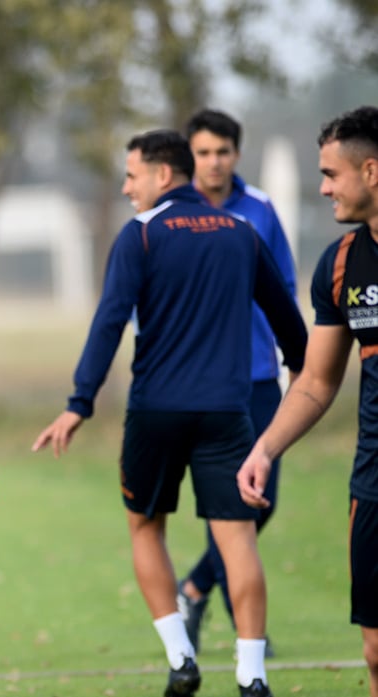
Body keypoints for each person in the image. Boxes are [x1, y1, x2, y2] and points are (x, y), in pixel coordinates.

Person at [32, 129, 306, 697]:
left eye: (132, 175)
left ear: (162, 175)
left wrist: (79, 404)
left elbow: (109, 321)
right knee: (238, 539)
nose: (126, 186)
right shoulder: (241, 233)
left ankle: (182, 657)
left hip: (155, 411)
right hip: (228, 412)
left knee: (145, 526)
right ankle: (251, 672)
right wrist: (307, 376)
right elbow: (288, 321)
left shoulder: (141, 235)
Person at [228, 106, 378, 697]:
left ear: (371, 170)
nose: (322, 188)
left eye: (330, 173)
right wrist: (264, 448)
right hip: (375, 482)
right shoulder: (343, 265)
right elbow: (317, 383)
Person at [176, 108, 299, 655]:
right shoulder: (174, 213)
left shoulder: (261, 211)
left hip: (258, 374)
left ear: (236, 155)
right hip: (203, 378)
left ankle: (197, 585)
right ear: (190, 157)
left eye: (222, 152)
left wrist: (298, 359)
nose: (213, 162)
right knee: (225, 498)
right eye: (203, 152)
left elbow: (286, 288)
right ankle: (248, 627)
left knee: (261, 497)